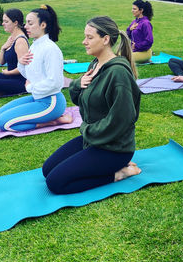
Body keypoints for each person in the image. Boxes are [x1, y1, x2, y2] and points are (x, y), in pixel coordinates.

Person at [42, 16, 142, 194]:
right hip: (94, 139)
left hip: (114, 148)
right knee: (47, 169)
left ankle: (119, 173)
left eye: (89, 37)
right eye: (85, 37)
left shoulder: (118, 74)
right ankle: (105, 166)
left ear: (105, 39)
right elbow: (80, 99)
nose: (84, 42)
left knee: (56, 183)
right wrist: (78, 83)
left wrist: (88, 130)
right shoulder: (95, 64)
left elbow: (122, 119)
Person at [0, 5, 71, 131]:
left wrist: (30, 87)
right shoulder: (35, 45)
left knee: (3, 123)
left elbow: (56, 82)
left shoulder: (50, 49)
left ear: (43, 25)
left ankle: (53, 121)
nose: (25, 26)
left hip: (51, 102)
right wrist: (21, 63)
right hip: (37, 97)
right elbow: (29, 74)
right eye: (26, 23)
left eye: (30, 23)